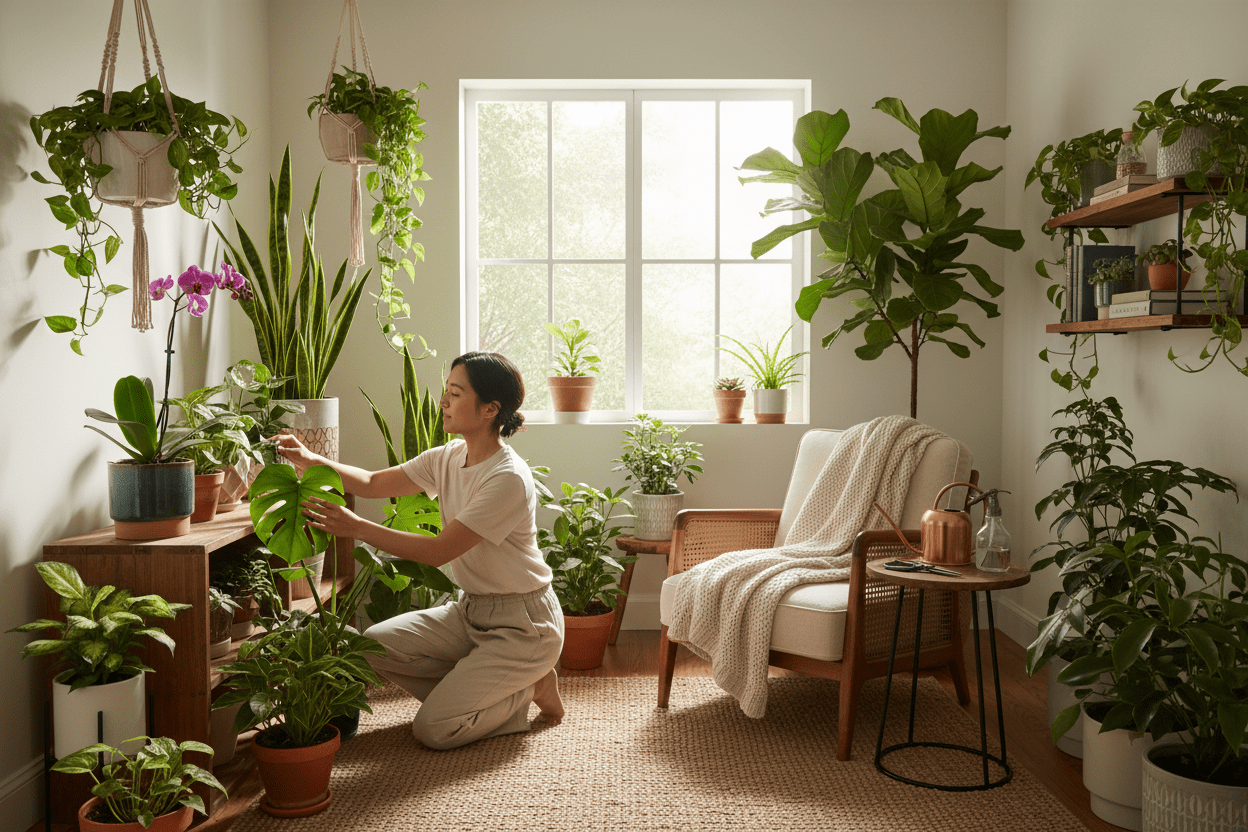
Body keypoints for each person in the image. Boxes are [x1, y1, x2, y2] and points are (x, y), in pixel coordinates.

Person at [271, 351, 565, 750]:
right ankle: (493, 683)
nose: (443, 402)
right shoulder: (448, 457)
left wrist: (356, 527)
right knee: (372, 644)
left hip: (524, 624)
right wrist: (308, 459)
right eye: (446, 391)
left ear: (489, 409)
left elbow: (438, 551)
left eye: (455, 394)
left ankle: (526, 688)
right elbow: (373, 482)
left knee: (435, 730)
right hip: (470, 611)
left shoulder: (507, 478)